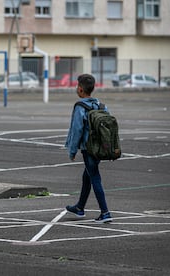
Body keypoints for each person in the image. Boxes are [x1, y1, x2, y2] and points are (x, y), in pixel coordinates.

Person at [65, 74, 112, 223]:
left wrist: (72, 151)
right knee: (87, 176)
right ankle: (80, 207)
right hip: (99, 149)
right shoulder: (101, 105)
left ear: (80, 89)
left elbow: (77, 129)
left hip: (88, 149)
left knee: (95, 178)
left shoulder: (80, 106)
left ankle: (105, 212)